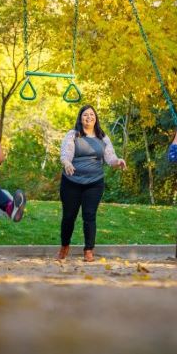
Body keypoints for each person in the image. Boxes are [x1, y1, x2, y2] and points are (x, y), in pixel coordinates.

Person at [57, 105, 126, 262]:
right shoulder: (73, 134)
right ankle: (64, 246)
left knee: (89, 216)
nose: (89, 117)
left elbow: (110, 158)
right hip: (71, 181)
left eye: (91, 114)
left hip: (94, 182)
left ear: (96, 118)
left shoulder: (102, 137)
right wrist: (67, 163)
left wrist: (118, 161)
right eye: (85, 114)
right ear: (80, 118)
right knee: (69, 216)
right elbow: (65, 153)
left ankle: (89, 250)